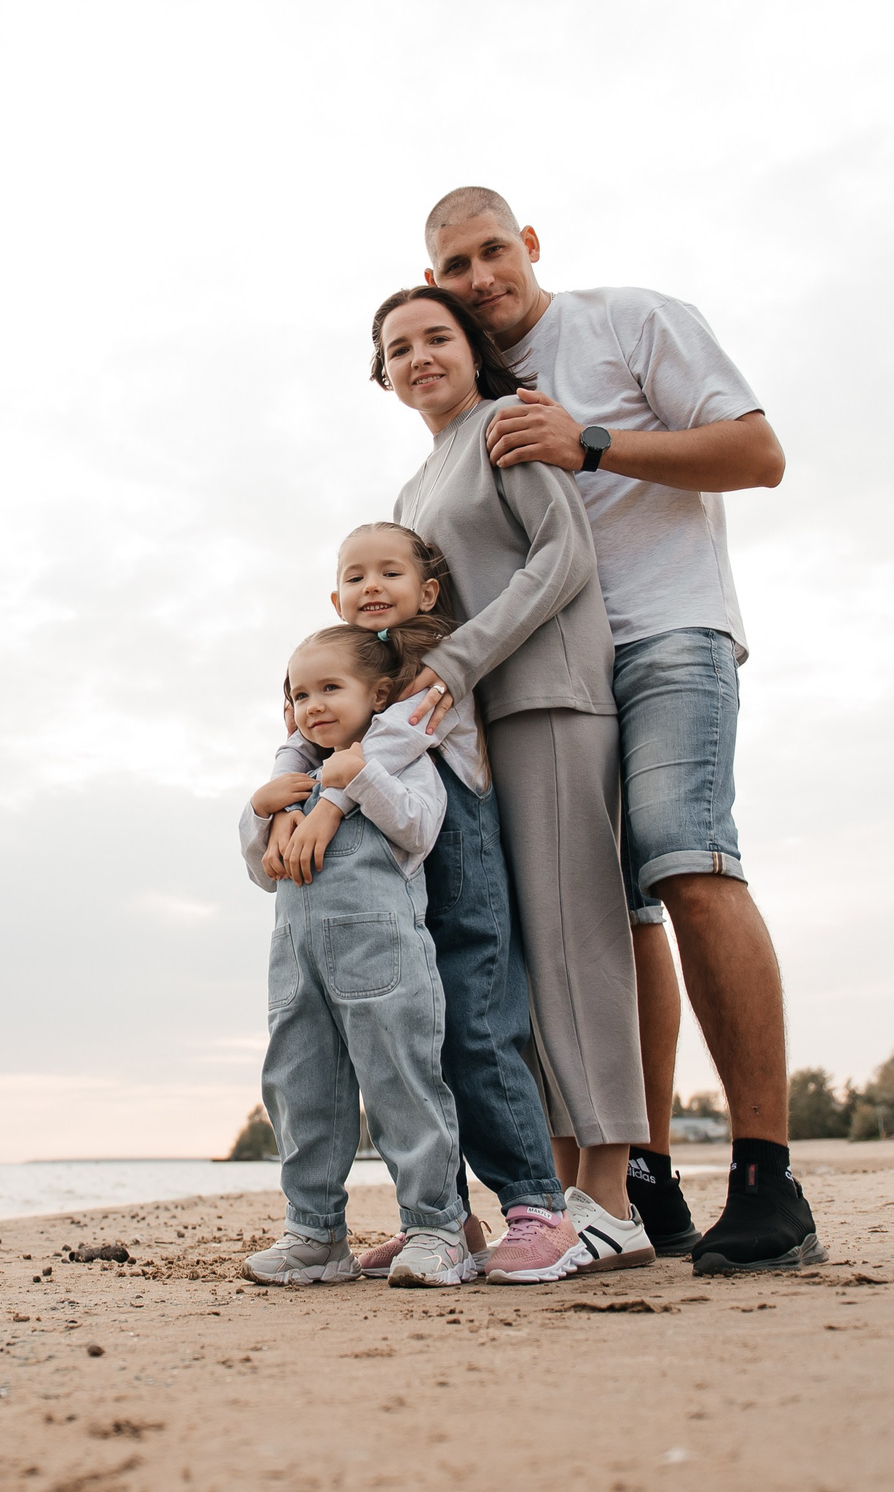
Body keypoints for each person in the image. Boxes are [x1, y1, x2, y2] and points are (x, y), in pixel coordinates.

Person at [422, 185, 824, 1273]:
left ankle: (766, 1174)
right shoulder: (477, 395)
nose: (479, 279)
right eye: (454, 267)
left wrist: (590, 441)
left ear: (530, 244)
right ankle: (635, 1169)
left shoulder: (630, 321)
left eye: (491, 251)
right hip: (562, 675)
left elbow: (758, 452)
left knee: (685, 856)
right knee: (605, 911)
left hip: (671, 631)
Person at [374, 284, 659, 1278]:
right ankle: (531, 1199)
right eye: (398, 346)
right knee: (508, 968)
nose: (419, 355)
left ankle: (615, 1199)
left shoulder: (502, 423)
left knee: (579, 945)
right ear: (383, 373)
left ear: (472, 346)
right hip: (479, 733)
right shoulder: (414, 487)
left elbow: (564, 559)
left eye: (436, 336)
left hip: (552, 698)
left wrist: (458, 665)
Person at [261, 523, 579, 1284]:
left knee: (473, 1023)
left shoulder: (433, 664)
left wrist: (326, 800)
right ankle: (444, 1223)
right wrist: (276, 803)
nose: (371, 587)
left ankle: (534, 1205)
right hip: (380, 878)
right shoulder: (345, 672)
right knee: (408, 1040)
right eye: (355, 575)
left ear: (427, 590)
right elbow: (301, 735)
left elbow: (385, 747)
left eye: (389, 573)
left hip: (453, 841)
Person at [239, 625, 468, 1287]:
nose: (313, 705)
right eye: (300, 694)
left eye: (330, 688)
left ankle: (436, 1226)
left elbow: (420, 828)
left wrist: (358, 778)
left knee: (403, 1086)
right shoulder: (293, 781)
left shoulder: (398, 760)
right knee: (299, 1091)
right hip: (297, 966)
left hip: (384, 960)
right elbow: (263, 874)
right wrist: (259, 812)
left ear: (379, 694)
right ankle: (314, 1233)